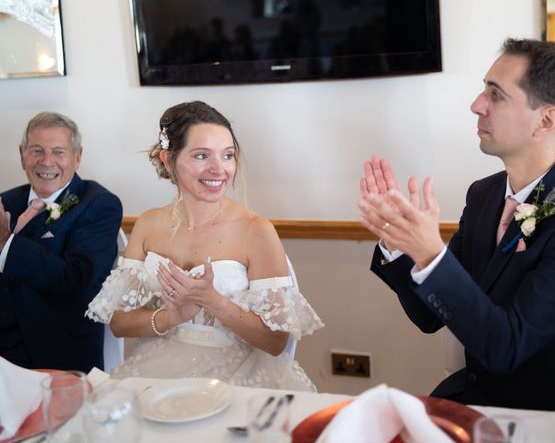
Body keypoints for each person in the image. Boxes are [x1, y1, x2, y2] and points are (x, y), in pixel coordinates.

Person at [358, 38, 555, 412]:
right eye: (484, 88)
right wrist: (399, 243)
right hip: (475, 403)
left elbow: (506, 347)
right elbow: (428, 316)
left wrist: (430, 253)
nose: (476, 105)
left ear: (546, 120)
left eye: (495, 95)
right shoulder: (483, 195)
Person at [86, 101, 324, 391]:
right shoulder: (148, 225)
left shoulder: (256, 231)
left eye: (228, 156)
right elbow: (119, 324)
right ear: (167, 159)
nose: (219, 169)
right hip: (159, 365)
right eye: (201, 156)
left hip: (238, 374)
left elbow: (276, 342)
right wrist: (170, 317)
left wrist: (214, 301)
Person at [0, 112, 123, 373]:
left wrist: (5, 243)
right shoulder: (5, 200)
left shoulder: (98, 204)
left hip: (54, 354)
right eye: (36, 151)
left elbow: (77, 280)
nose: (47, 162)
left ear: (77, 157)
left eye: (58, 152)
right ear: (22, 154)